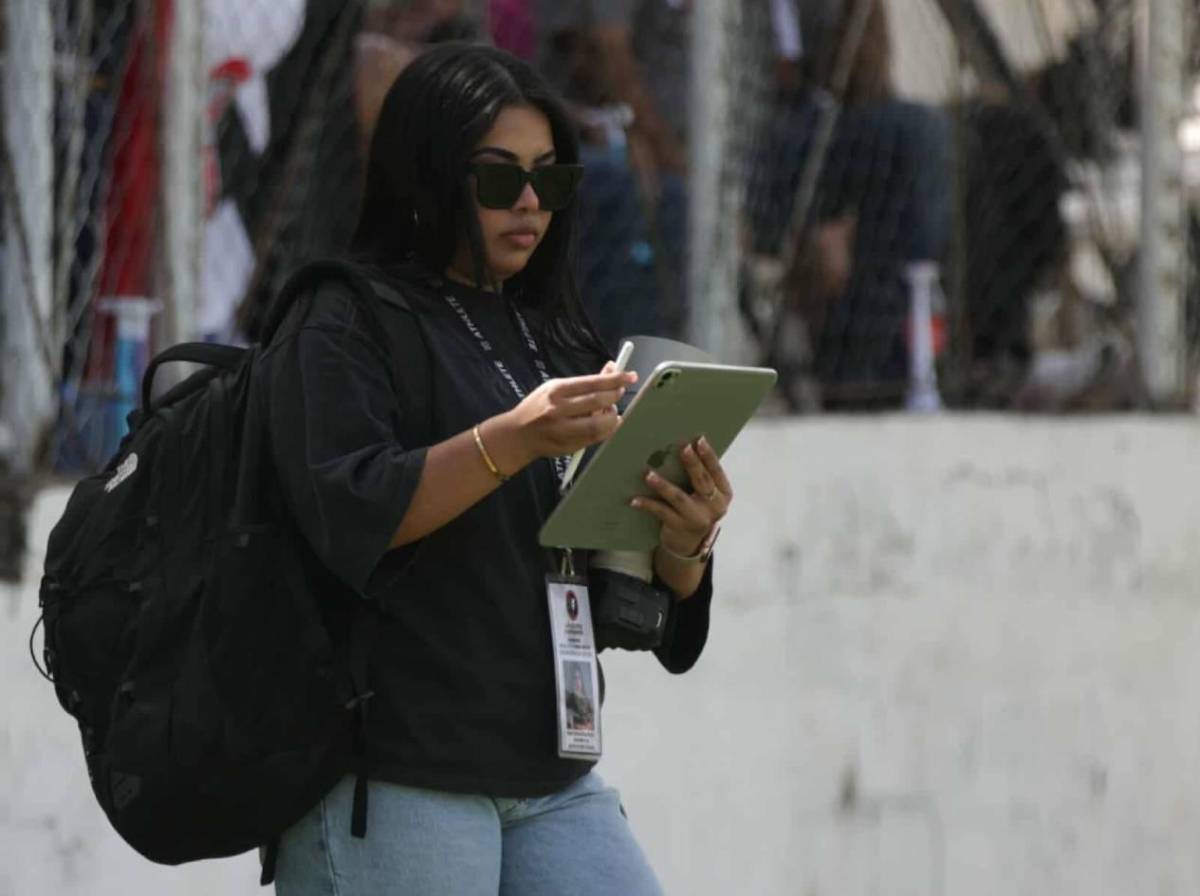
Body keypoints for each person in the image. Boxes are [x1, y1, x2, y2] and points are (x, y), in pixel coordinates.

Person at [261, 42, 731, 895]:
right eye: (496, 177)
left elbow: (601, 579)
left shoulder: (549, 332)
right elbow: (349, 514)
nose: (528, 203)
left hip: (548, 768)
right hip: (396, 774)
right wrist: (510, 440)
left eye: (549, 180)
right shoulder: (341, 316)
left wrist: (683, 549)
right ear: (427, 174)